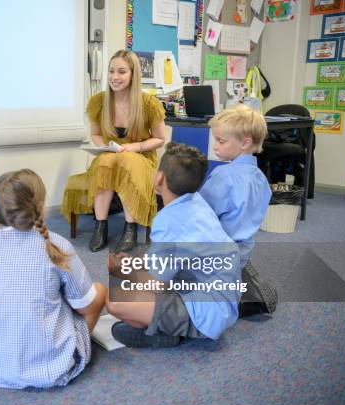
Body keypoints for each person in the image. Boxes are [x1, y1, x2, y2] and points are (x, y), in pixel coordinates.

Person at [0, 169, 107, 389]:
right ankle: (71, 350)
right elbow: (86, 307)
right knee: (98, 290)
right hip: (54, 367)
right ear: (40, 205)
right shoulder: (57, 245)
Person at [107, 143, 241, 347]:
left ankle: (168, 332)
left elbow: (156, 284)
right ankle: (163, 325)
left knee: (115, 301)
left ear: (159, 178)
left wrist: (124, 272)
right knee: (136, 274)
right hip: (223, 301)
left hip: (205, 315)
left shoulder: (168, 221)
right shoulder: (197, 201)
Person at [61, 50, 166, 253]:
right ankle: (101, 226)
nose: (114, 77)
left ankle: (130, 228)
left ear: (133, 75)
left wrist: (134, 147)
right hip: (110, 156)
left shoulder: (149, 104)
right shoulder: (99, 101)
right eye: (111, 71)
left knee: (127, 161)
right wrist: (105, 147)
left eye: (121, 72)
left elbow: (160, 139)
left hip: (141, 157)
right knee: (104, 162)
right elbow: (96, 134)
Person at [200, 104, 278, 316]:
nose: (215, 146)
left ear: (245, 143)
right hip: (244, 248)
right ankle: (239, 281)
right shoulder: (260, 177)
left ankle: (227, 294)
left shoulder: (224, 175)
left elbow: (202, 214)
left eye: (221, 141)